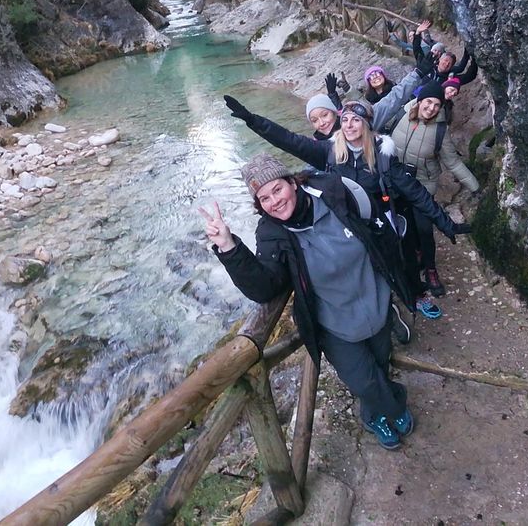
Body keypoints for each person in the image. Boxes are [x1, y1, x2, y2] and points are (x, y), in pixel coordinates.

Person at [202, 153, 415, 449]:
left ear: (293, 182)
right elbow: (265, 287)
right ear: (259, 206)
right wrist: (228, 246)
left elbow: (374, 227)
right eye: (264, 198)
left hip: (376, 302)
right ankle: (394, 406)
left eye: (277, 189)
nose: (274, 201)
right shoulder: (271, 233)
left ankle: (372, 413)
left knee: (380, 363)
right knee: (362, 380)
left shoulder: (332, 193)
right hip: (333, 322)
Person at [223, 94, 467, 319]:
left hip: (378, 221)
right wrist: (253, 121)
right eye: (346, 119)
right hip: (345, 223)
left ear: (366, 125)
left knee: (402, 259)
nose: (349, 125)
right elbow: (290, 141)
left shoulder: (382, 156)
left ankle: (416, 294)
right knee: (362, 269)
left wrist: (445, 223)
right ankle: (383, 310)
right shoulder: (329, 152)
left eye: (356, 120)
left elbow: (415, 192)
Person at [389, 82, 480, 296]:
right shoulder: (401, 115)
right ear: (420, 100)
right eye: (428, 102)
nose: (431, 108)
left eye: (436, 105)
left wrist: (475, 188)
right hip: (398, 183)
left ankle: (431, 269)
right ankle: (414, 259)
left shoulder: (440, 130)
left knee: (424, 229)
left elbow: (453, 163)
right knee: (405, 228)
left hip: (423, 186)